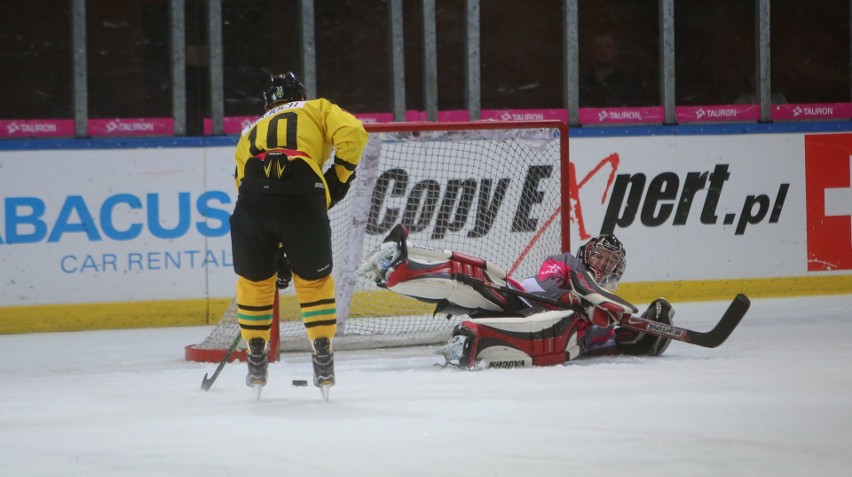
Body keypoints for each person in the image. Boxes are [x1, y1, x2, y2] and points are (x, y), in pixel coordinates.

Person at [358, 225, 674, 369]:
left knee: (564, 337)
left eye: (608, 263)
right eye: (597, 256)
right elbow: (553, 286)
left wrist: (643, 335)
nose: (599, 264)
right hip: (514, 301)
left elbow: (602, 345)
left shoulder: (606, 319)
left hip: (538, 330)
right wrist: (583, 302)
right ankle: (400, 267)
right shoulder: (566, 262)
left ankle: (474, 345)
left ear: (616, 272)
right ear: (584, 253)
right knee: (481, 276)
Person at [230, 72, 368, 397]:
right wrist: (340, 175)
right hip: (303, 191)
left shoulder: (249, 131)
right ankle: (322, 351)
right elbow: (354, 132)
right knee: (313, 281)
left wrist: (273, 247)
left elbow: (240, 183)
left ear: (267, 103)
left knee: (255, 282)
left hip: (253, 198)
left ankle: (255, 352)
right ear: (300, 94)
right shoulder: (315, 108)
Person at [579, 32, 645, 107]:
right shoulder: (583, 84)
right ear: (591, 52)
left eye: (608, 46)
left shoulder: (628, 83)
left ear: (616, 52)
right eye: (598, 46)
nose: (602, 50)